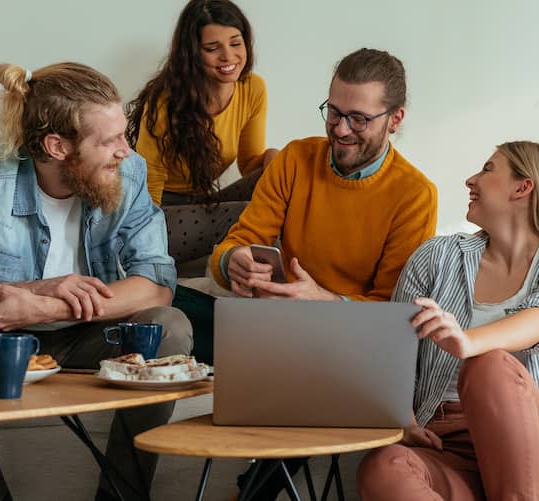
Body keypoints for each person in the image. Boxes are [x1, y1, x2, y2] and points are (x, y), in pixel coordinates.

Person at [0, 62, 192, 501]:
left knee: (168, 325)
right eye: (110, 140)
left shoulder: (130, 174)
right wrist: (32, 291)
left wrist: (50, 307)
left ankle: (121, 496)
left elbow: (155, 285)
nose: (126, 150)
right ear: (56, 146)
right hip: (1, 343)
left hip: (90, 337)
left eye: (125, 134)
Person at [210, 48, 438, 499]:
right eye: (333, 112)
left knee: (307, 373)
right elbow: (236, 243)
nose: (339, 129)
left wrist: (322, 301)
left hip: (355, 345)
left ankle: (251, 493)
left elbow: (393, 313)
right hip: (274, 327)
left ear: (394, 119)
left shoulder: (414, 194)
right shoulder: (295, 159)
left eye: (358, 118)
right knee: (171, 308)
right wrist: (230, 261)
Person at [356, 141, 539, 501]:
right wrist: (405, 420)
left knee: (487, 366)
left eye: (487, 169)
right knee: (383, 465)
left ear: (523, 186)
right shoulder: (436, 257)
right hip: (447, 445)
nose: (471, 180)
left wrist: (470, 342)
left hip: (537, 450)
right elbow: (395, 350)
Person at [127, 0, 277, 207]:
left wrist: (272, 159)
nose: (228, 56)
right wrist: (150, 233)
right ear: (192, 53)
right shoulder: (164, 100)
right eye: (212, 48)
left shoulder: (253, 88)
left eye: (235, 43)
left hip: (203, 202)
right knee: (245, 216)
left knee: (279, 179)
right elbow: (149, 185)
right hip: (162, 206)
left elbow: (250, 164)